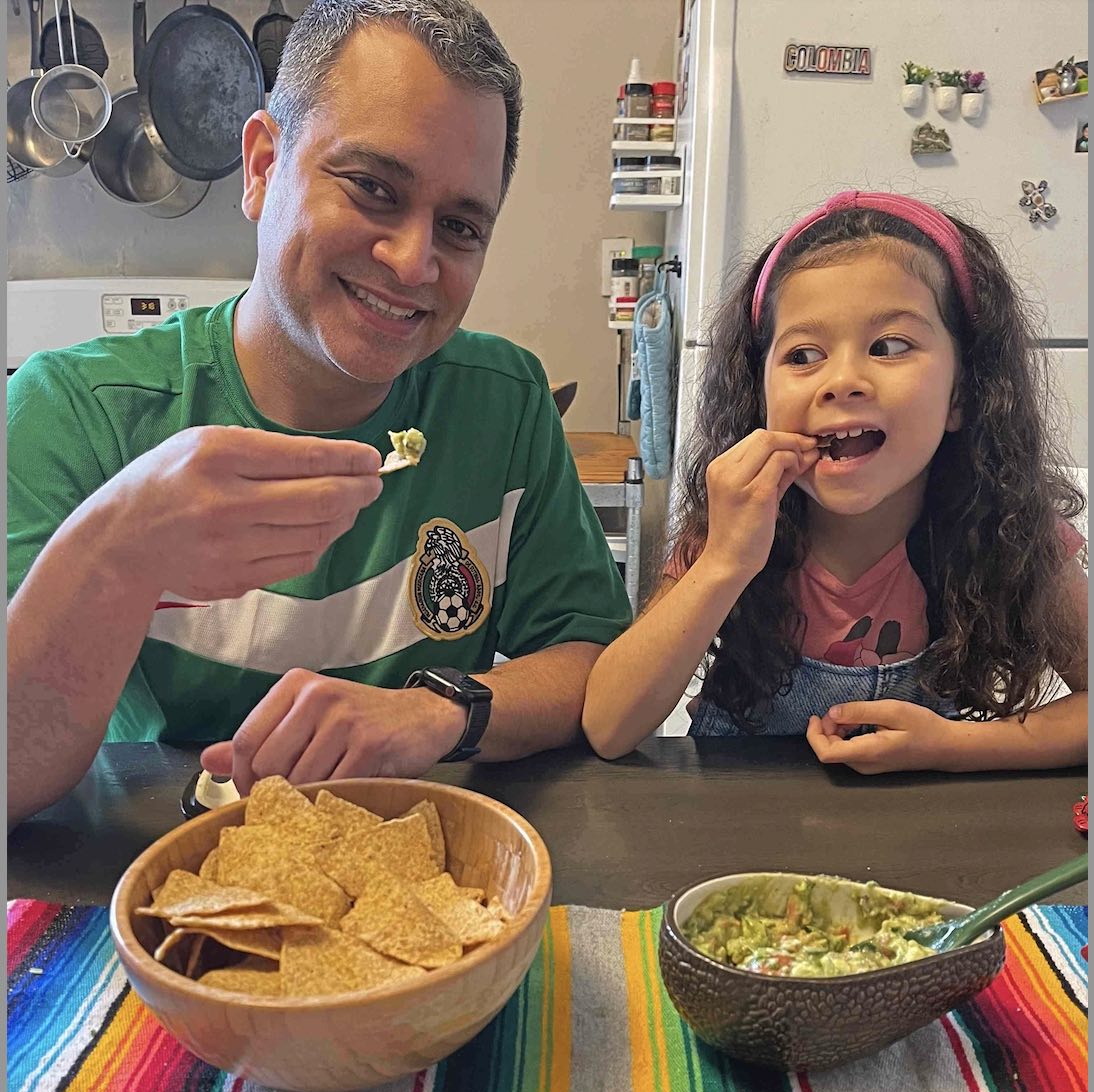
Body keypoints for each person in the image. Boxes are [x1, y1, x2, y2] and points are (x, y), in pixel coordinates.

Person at [7, 0, 630, 825]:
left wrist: (436, 710)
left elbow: (589, 661)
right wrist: (118, 544)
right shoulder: (70, 415)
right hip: (150, 895)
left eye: (459, 226)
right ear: (263, 166)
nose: (414, 263)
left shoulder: (504, 402)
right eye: (373, 189)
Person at [583, 190, 1087, 773]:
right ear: (760, 395)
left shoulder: (1011, 532)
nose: (841, 380)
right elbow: (608, 726)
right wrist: (724, 562)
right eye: (802, 356)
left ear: (963, 394)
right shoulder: (732, 528)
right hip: (740, 840)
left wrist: (951, 747)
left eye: (889, 346)